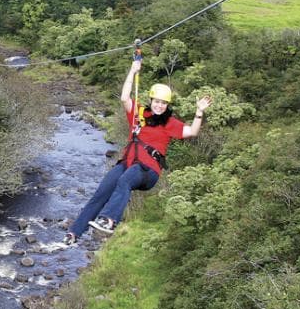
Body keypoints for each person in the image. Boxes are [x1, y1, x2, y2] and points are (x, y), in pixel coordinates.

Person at [64, 57, 212, 244]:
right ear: (151, 100)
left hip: (148, 171)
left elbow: (192, 131)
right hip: (127, 163)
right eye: (157, 102)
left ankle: (109, 220)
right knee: (101, 193)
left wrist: (199, 112)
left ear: (167, 105)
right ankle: (74, 233)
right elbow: (124, 98)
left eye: (163, 103)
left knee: (125, 180)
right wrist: (132, 71)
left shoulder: (169, 122)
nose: (159, 106)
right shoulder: (139, 114)